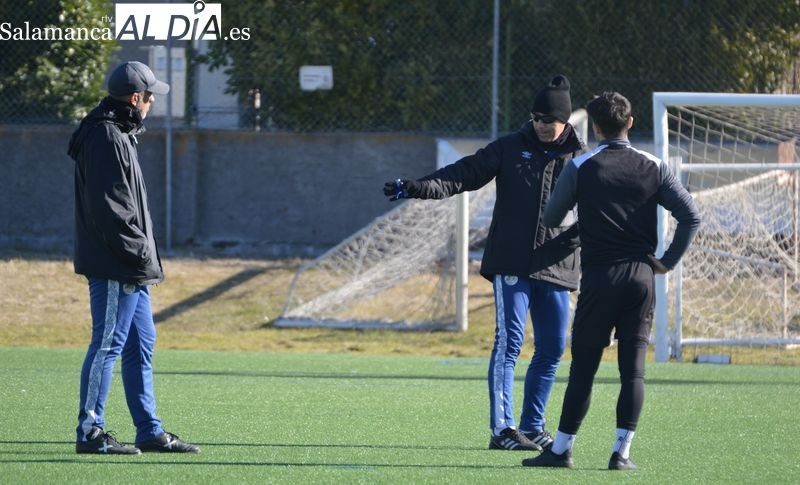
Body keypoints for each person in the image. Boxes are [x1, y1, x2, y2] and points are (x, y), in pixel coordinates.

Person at [383, 75, 586, 451]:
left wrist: (581, 243)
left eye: (549, 119)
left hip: (557, 267)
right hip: (512, 262)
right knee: (509, 343)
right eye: (536, 117)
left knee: (552, 348)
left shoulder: (583, 158)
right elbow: (462, 175)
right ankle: (503, 430)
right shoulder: (509, 148)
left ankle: (533, 425)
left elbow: (599, 212)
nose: (541, 125)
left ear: (565, 122)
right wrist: (418, 187)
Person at [522, 91, 700, 470]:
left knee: (583, 367)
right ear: (630, 123)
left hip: (600, 276)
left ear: (596, 127)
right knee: (632, 369)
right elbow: (690, 217)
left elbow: (553, 218)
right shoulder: (654, 165)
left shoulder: (583, 164)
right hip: (641, 276)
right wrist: (666, 262)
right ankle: (621, 454)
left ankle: (561, 450)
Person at [67, 61, 200, 455]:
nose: (153, 100)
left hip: (131, 264)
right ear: (136, 97)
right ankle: (90, 432)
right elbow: (111, 209)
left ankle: (149, 430)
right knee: (108, 343)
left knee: (141, 343)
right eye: (150, 94)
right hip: (117, 263)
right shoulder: (106, 135)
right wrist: (138, 255)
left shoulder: (118, 132)